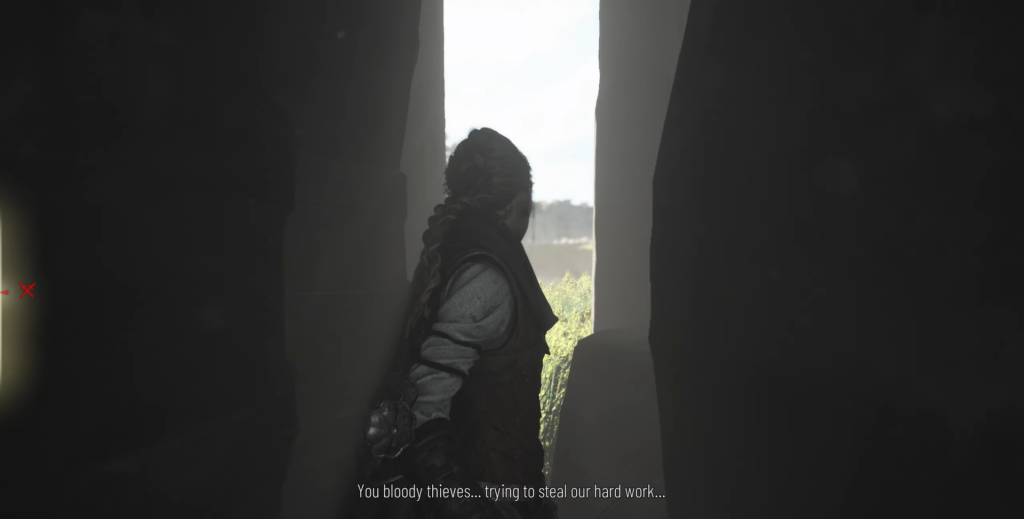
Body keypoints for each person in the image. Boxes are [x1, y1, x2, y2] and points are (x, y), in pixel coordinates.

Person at [358, 128, 560, 519]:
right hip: (488, 494)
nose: (526, 222)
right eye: (524, 210)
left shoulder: (457, 256)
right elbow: (422, 411)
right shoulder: (485, 280)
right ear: (508, 206)